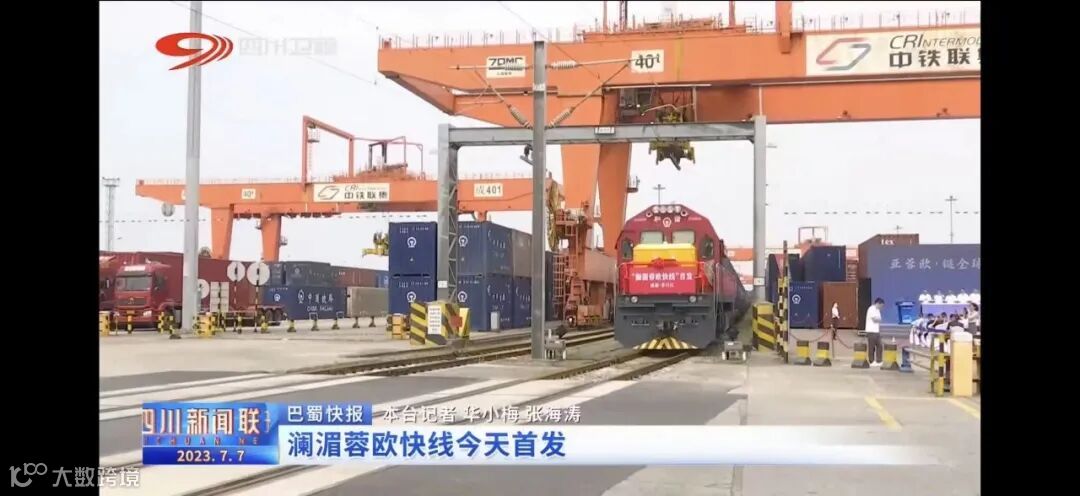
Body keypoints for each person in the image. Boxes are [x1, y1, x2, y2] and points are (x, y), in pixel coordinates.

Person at [864, 298, 885, 366]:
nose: (881, 307)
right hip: (871, 331)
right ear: (878, 303)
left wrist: (878, 319)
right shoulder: (871, 309)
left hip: (876, 331)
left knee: (880, 346)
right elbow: (875, 319)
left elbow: (880, 319)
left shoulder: (878, 310)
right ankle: (871, 361)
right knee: (871, 347)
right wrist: (878, 319)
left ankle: (879, 360)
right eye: (881, 305)